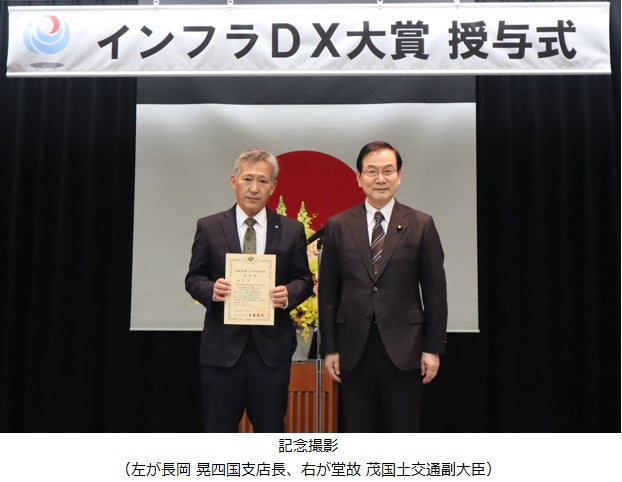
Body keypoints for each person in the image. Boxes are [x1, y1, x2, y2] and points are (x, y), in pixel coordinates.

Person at [319, 141, 447, 432]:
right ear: (358, 177)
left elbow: (435, 294)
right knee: (357, 431)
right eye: (372, 171)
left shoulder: (421, 224)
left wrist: (432, 349)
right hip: (353, 349)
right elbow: (327, 294)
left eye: (388, 171)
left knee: (403, 433)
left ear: (399, 176)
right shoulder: (338, 225)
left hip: (406, 349)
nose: (380, 178)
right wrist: (330, 348)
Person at [185, 148, 313, 432]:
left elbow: (304, 280)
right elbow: (194, 278)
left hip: (271, 353)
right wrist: (212, 290)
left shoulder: (291, 230)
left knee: (271, 430)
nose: (254, 188)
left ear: (273, 186)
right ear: (234, 181)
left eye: (263, 181)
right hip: (221, 352)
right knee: (218, 432)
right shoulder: (209, 227)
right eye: (248, 179)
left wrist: (288, 294)